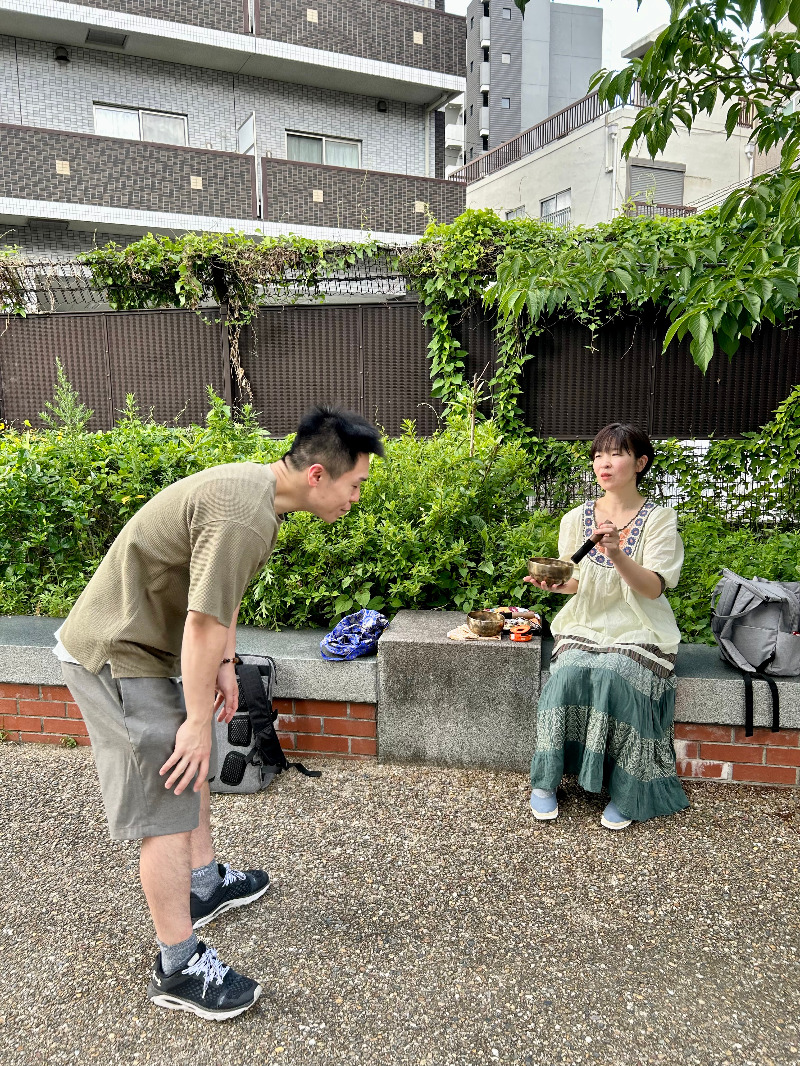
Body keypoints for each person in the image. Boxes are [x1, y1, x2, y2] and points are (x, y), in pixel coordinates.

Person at [54, 407, 384, 1021]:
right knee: (167, 803)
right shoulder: (244, 515)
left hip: (148, 647)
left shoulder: (258, 497)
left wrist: (226, 665)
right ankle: (176, 964)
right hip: (116, 654)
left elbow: (216, 603)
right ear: (318, 475)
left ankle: (203, 884)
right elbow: (202, 621)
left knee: (189, 770)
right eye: (355, 484)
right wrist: (192, 724)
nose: (355, 497)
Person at [524, 423, 688, 830]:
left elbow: (652, 589)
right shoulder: (576, 518)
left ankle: (629, 789)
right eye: (598, 455)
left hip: (641, 626)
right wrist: (555, 585)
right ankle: (545, 780)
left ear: (640, 463)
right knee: (565, 676)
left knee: (617, 675)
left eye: (615, 454)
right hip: (585, 621)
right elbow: (579, 582)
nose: (604, 462)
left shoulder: (659, 520)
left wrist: (616, 553)